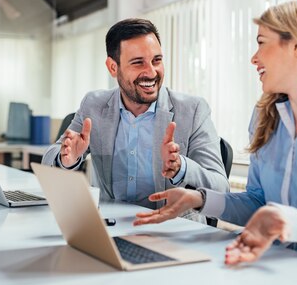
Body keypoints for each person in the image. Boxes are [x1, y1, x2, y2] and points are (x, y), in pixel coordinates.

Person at [133, 0, 297, 272]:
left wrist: (285, 221)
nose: (254, 58)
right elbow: (258, 202)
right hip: (278, 269)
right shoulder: (265, 115)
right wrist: (199, 199)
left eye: (261, 43)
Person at [42, 18, 229, 212]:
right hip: (109, 227)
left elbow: (221, 189)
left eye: (157, 60)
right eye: (138, 63)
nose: (151, 72)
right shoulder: (94, 105)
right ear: (113, 67)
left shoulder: (192, 110)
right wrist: (67, 159)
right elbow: (50, 159)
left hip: (170, 230)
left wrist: (181, 167)